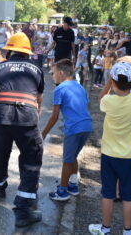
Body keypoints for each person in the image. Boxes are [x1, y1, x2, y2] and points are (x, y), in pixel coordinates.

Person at [0, 32, 44, 227]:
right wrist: (36, 118)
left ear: (9, 51)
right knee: (31, 158)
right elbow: (39, 99)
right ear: (27, 53)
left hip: (0, 117)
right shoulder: (36, 69)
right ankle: (23, 211)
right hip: (27, 117)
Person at [88, 58, 131, 235]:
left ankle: (105, 228)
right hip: (128, 156)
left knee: (108, 193)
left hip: (109, 154)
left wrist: (108, 81)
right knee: (128, 196)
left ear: (113, 81)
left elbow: (100, 98)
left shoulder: (108, 101)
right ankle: (128, 231)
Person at [42, 59, 92, 201]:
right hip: (86, 126)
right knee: (72, 156)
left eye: (53, 73)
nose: (52, 75)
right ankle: (73, 185)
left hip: (74, 128)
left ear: (61, 73)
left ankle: (62, 191)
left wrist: (44, 132)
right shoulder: (80, 87)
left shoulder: (60, 89)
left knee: (67, 160)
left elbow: (54, 116)